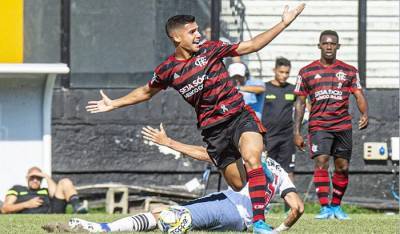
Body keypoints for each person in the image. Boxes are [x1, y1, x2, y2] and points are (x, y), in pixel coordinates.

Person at [86, 6, 305, 233]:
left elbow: (251, 45)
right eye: (192, 32)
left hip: (239, 116)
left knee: (252, 158)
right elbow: (145, 92)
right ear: (177, 37)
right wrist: (114, 103)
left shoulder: (211, 49)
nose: (199, 35)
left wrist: (284, 23)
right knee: (239, 183)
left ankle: (259, 223)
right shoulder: (168, 70)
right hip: (214, 132)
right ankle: (262, 176)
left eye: (198, 30)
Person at [55, 124, 303, 233]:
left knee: (172, 217)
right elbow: (297, 208)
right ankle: (102, 228)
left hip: (228, 207)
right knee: (163, 213)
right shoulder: (279, 172)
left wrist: (169, 142)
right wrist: (276, 230)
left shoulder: (249, 161)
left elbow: (205, 155)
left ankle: (102, 229)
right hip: (240, 221)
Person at [293, 30, 369, 220]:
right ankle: (325, 207)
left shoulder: (349, 70)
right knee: (321, 162)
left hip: (342, 125)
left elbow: (358, 94)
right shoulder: (306, 71)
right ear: (319, 46)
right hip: (319, 125)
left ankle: (336, 206)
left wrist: (364, 113)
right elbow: (300, 102)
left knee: (342, 167)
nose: (329, 47)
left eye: (332, 44)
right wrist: (297, 132)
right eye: (325, 43)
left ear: (338, 46)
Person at [262, 57, 296, 212]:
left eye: (287, 73)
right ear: (274, 71)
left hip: (287, 137)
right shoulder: (265, 88)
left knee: (288, 171)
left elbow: (305, 106)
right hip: (268, 137)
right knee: (265, 169)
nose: (284, 75)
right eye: (281, 72)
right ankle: (263, 204)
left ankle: (290, 207)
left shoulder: (292, 89)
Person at [1, 166, 87, 214]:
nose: (35, 180)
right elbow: (4, 208)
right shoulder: (17, 189)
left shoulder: (45, 190)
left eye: (38, 178)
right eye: (32, 177)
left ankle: (77, 207)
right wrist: (26, 204)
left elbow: (55, 195)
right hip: (28, 213)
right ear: (27, 178)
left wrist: (46, 176)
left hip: (53, 214)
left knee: (65, 181)